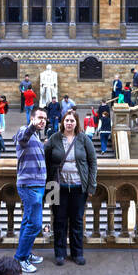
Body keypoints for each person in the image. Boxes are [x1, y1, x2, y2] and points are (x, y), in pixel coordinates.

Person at [46, 109, 98, 266]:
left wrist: (91, 185)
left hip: (78, 187)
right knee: (59, 221)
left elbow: (92, 162)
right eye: (66, 120)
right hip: (56, 187)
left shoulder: (84, 139)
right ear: (62, 122)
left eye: (72, 120)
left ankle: (77, 253)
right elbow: (46, 160)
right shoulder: (54, 138)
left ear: (77, 123)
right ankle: (60, 253)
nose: (69, 123)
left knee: (77, 221)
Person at [12, 108, 49, 273]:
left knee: (27, 222)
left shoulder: (37, 138)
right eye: (40, 117)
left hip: (37, 185)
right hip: (29, 185)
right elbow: (23, 136)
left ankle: (25, 254)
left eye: (45, 119)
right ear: (32, 118)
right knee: (35, 224)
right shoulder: (24, 131)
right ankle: (20, 259)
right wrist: (33, 126)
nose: (43, 120)